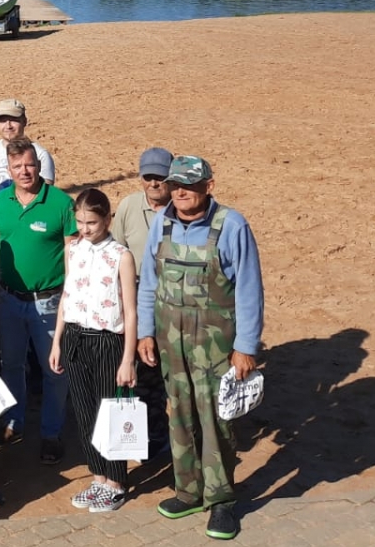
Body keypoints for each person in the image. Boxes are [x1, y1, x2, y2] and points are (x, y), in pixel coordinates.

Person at [136, 156, 263, 541]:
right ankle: (188, 491)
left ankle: (222, 500)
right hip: (170, 343)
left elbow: (249, 292)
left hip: (215, 346)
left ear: (209, 185)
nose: (180, 192)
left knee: (215, 419)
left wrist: (245, 347)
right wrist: (145, 332)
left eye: (189, 185)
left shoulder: (232, 226)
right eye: (176, 185)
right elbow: (149, 283)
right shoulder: (163, 222)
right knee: (179, 414)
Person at [0, 137, 76, 462]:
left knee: (55, 369)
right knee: (12, 364)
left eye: (30, 165)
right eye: (18, 166)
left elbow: (71, 249)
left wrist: (72, 294)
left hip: (50, 301)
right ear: (9, 168)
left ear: (39, 165)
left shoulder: (60, 203)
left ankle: (51, 432)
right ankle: (14, 421)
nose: (25, 171)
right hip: (8, 299)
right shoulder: (1, 201)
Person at [48, 189, 138, 513]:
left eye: (92, 223)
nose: (85, 228)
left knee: (108, 413)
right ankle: (98, 477)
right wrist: (57, 340)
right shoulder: (73, 249)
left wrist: (128, 359)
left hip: (107, 341)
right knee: (85, 414)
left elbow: (130, 310)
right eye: (81, 221)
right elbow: (66, 296)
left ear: (108, 219)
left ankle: (116, 482)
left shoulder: (121, 256)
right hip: (74, 337)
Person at [109, 146, 174, 458]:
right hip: (137, 306)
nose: (154, 183)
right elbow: (114, 252)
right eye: (148, 176)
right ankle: (150, 440)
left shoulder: (184, 207)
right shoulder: (128, 207)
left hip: (175, 306)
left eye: (160, 177)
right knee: (143, 375)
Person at [0, 99, 56, 207]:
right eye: (2, 120)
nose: (8, 125)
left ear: (24, 121)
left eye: (13, 120)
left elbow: (44, 196)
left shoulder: (40, 154)